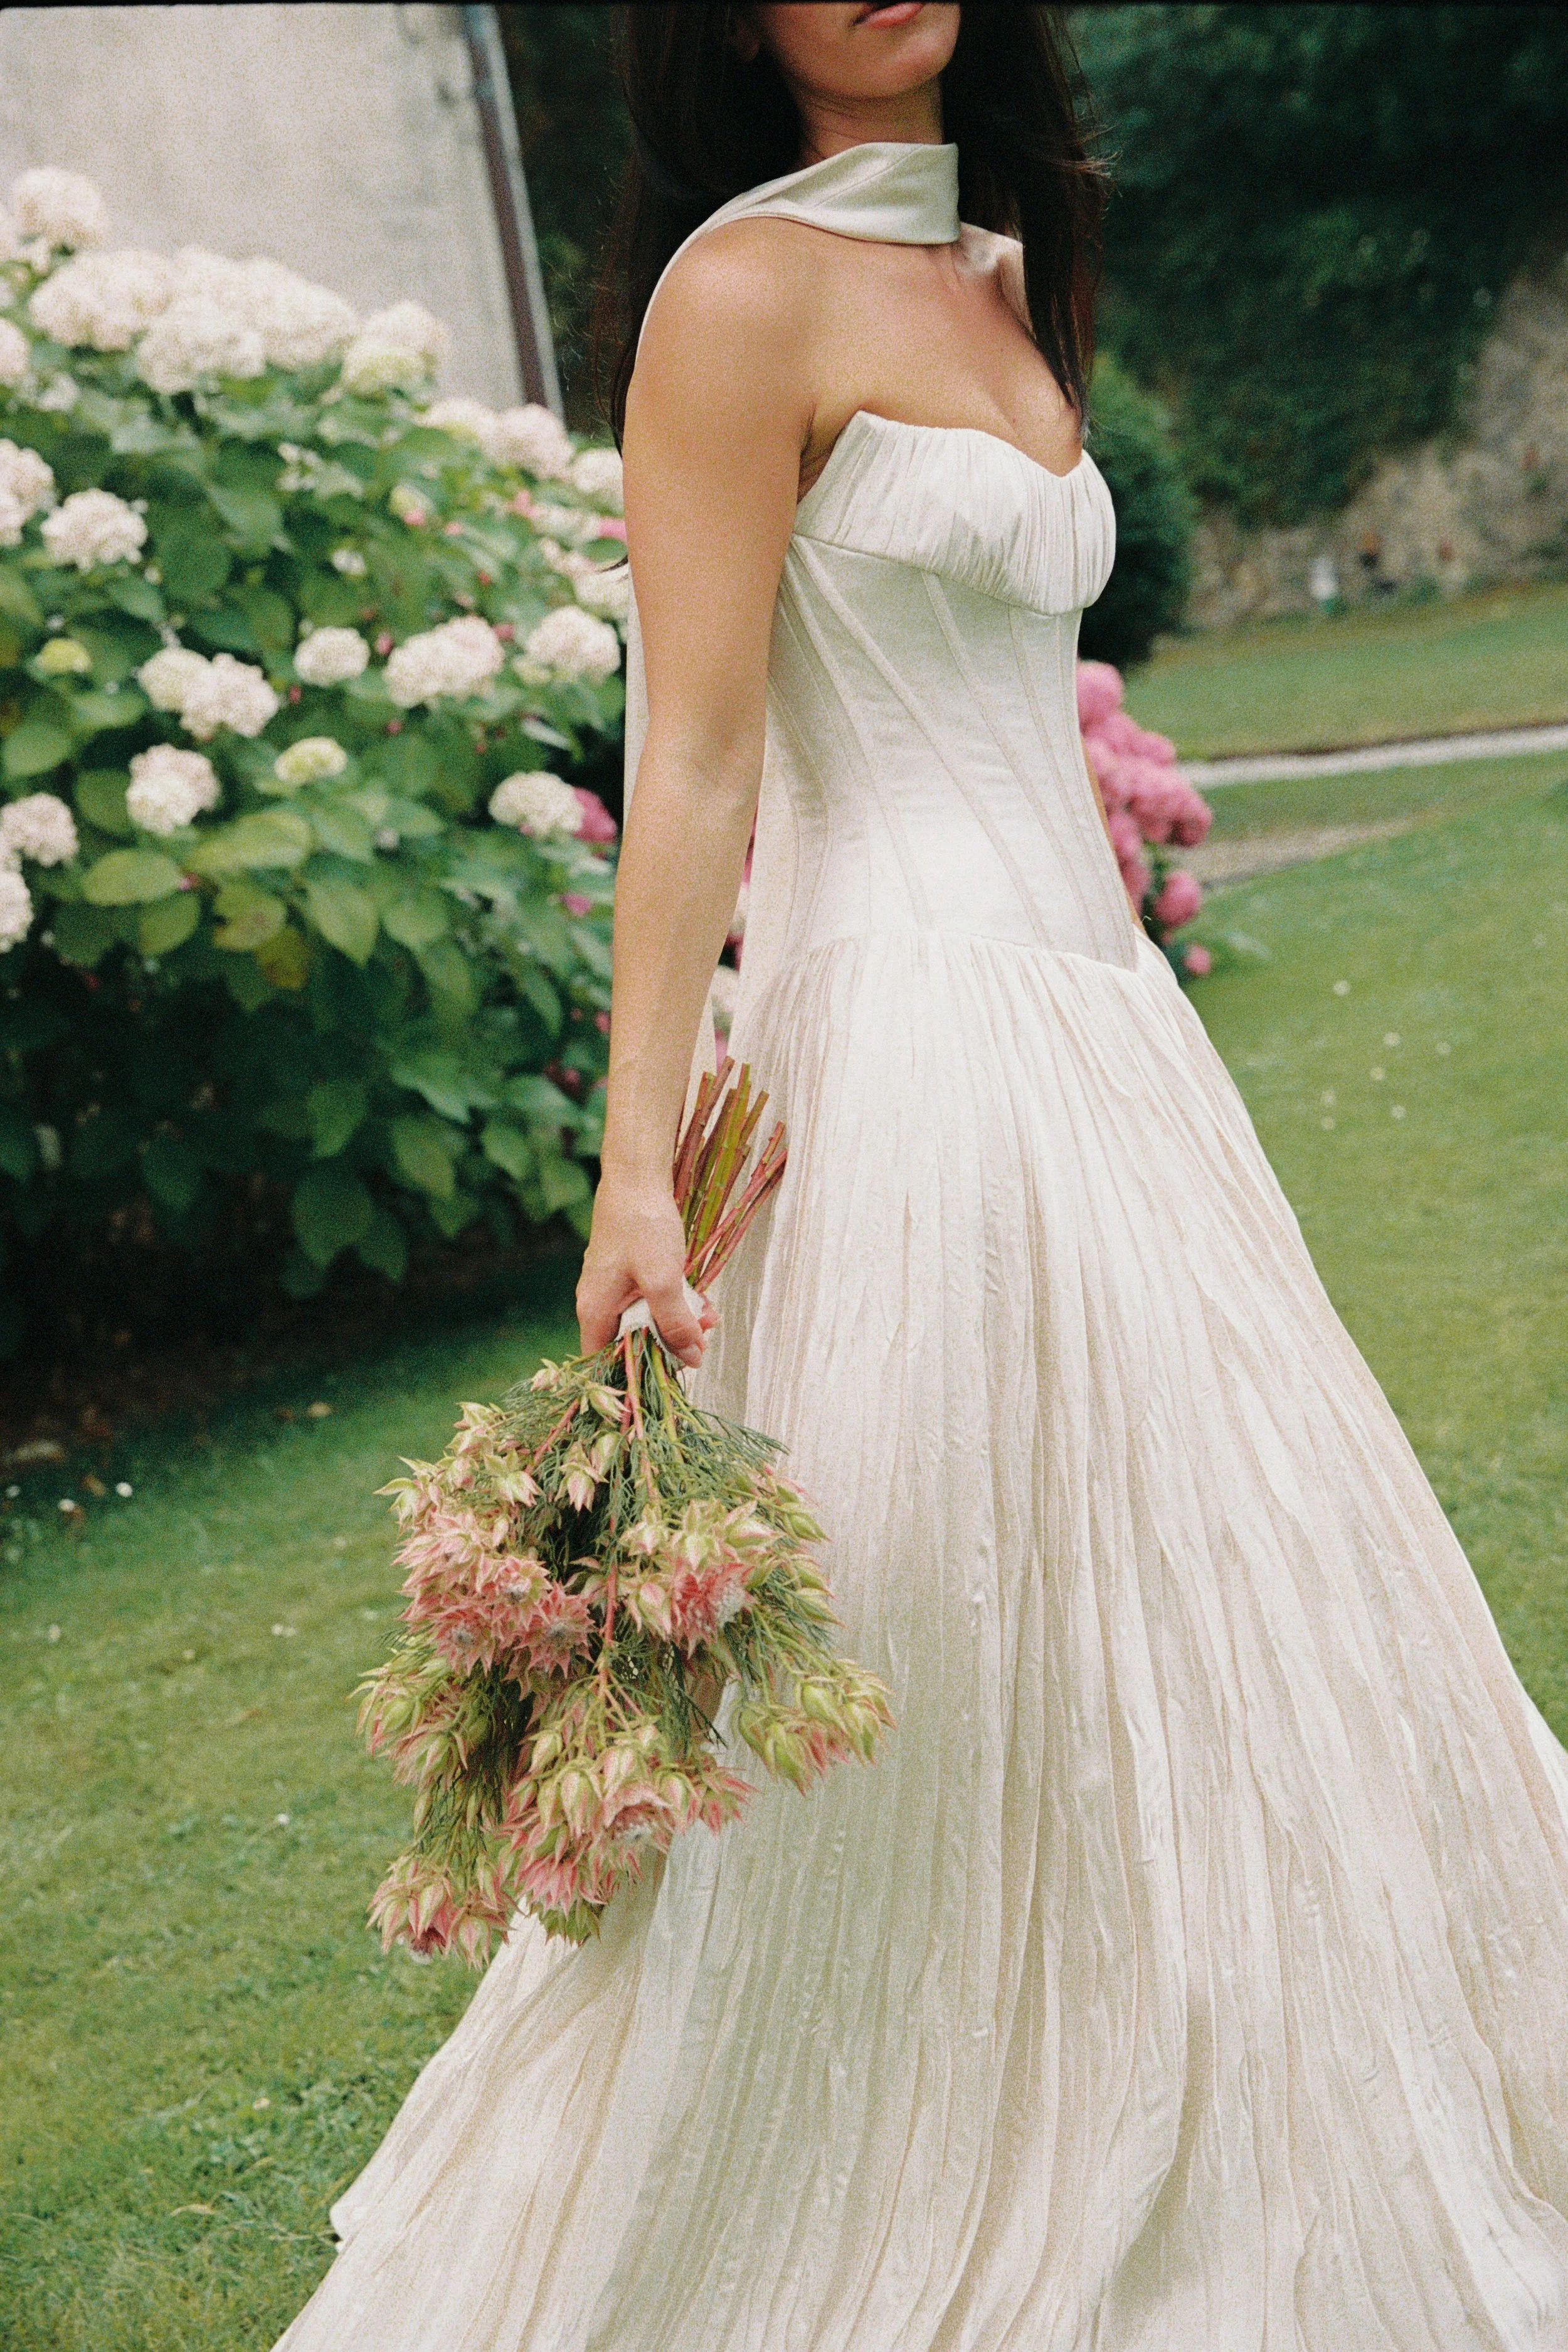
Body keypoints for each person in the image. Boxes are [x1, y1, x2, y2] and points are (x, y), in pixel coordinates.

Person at [275, 8, 1568, 2346]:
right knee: (943, 1608)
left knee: (1223, 1576)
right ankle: (904, 2118)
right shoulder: (733, 293)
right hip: (902, 1046)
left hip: (1108, 1037)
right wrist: (632, 1170)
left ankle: (1251, 2067)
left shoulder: (999, 268)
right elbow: (690, 755)